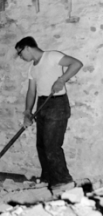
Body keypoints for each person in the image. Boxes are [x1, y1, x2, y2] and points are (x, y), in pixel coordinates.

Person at [15, 36, 83, 194]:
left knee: (52, 145)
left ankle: (63, 181)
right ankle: (47, 179)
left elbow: (76, 64)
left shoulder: (51, 56)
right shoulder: (32, 68)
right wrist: (27, 112)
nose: (21, 57)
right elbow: (31, 91)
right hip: (42, 103)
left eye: (20, 53)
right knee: (41, 145)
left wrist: (62, 80)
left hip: (57, 103)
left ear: (27, 48)